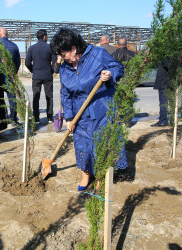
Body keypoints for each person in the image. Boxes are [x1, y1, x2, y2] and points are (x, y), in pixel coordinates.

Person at [50, 27, 127, 191]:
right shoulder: (65, 67)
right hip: (80, 112)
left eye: (63, 54)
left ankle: (100, 176)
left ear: (74, 48)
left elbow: (118, 68)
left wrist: (110, 74)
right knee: (82, 144)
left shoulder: (97, 54)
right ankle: (86, 175)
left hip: (102, 107)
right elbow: (66, 93)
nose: (61, 58)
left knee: (101, 143)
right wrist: (69, 117)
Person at [25, 29, 54, 124]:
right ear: (45, 36)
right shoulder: (50, 47)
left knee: (36, 97)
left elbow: (27, 63)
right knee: (49, 96)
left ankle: (36, 118)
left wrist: (33, 69)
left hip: (36, 76)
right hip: (47, 76)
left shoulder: (32, 48)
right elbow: (54, 63)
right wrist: (51, 71)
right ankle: (50, 117)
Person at [0, 27, 21, 124]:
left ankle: (2, 118)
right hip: (10, 76)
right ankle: (13, 118)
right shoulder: (14, 46)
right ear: (7, 34)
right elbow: (18, 62)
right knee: (12, 99)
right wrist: (13, 73)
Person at [151, 59, 170, 127]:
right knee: (165, 102)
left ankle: (162, 121)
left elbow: (168, 66)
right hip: (166, 82)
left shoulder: (166, 55)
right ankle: (165, 120)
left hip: (164, 83)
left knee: (163, 102)